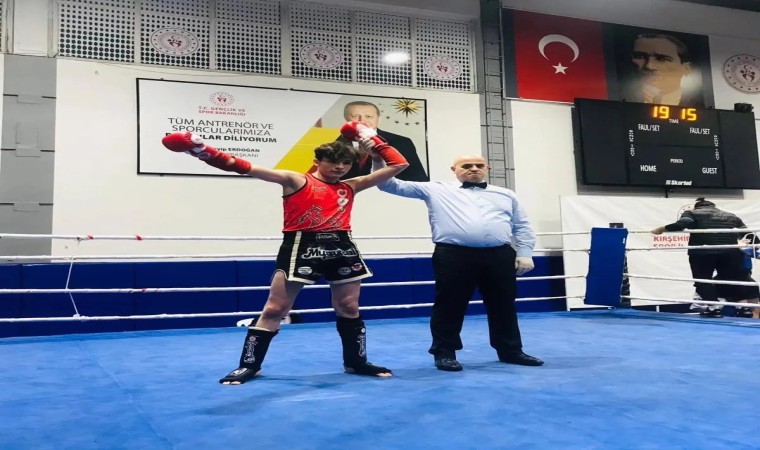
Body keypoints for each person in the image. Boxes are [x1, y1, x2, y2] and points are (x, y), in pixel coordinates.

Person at [160, 126, 409, 385]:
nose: (340, 167)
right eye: (333, 162)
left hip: (342, 246)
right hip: (301, 245)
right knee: (276, 308)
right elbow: (244, 167)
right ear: (317, 161)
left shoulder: (351, 186)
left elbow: (399, 164)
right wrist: (202, 150)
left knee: (349, 307)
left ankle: (356, 362)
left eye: (345, 163)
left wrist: (374, 142)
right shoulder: (296, 180)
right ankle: (249, 365)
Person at [372, 154, 543, 371]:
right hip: (454, 254)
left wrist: (525, 252)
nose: (474, 168)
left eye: (479, 165)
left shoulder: (506, 194)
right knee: (449, 304)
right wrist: (377, 160)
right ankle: (444, 352)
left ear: (488, 168)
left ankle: (510, 350)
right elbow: (388, 184)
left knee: (504, 304)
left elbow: (522, 225)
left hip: (499, 254)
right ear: (454, 169)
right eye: (467, 165)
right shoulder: (435, 189)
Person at [651, 198, 749, 318]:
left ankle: (714, 308)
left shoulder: (692, 213)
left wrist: (660, 229)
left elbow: (680, 225)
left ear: (697, 207)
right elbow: (748, 234)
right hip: (730, 253)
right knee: (731, 279)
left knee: (702, 281)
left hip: (703, 253)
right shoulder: (731, 216)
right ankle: (744, 308)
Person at [338, 101, 429, 182]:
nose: (362, 121)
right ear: (346, 118)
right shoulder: (335, 145)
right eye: (355, 116)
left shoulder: (402, 142)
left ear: (378, 119)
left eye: (369, 116)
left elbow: (419, 180)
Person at [625, 33, 699, 106]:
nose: (649, 66)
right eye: (639, 57)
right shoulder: (623, 100)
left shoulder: (699, 105)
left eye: (662, 59)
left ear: (686, 68)